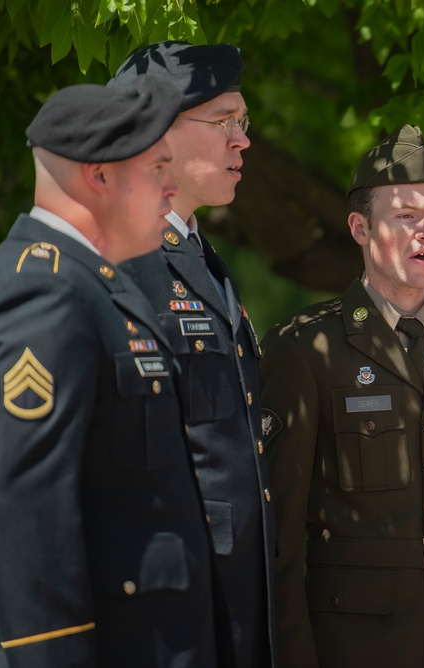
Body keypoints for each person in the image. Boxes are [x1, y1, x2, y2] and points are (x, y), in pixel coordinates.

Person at [259, 125, 424, 668]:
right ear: (360, 227)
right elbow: (278, 545)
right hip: (355, 646)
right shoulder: (304, 348)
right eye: (407, 216)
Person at [0, 78, 220, 666]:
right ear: (100, 173)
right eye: (157, 166)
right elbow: (23, 506)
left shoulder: (95, 283)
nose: (172, 185)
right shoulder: (43, 290)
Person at [107, 41, 276, 667]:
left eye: (244, 122)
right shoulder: (123, 264)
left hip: (226, 608)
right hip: (171, 622)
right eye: (224, 122)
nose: (243, 141)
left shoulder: (198, 258)